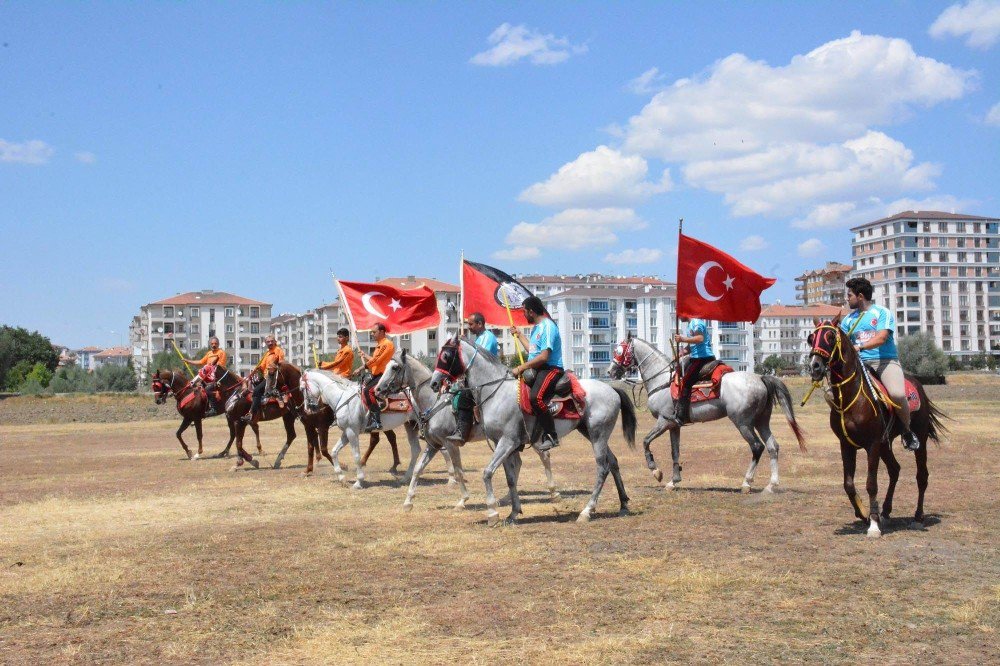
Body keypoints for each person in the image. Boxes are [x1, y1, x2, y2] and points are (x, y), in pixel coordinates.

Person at [841, 277, 920, 451]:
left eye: (850, 295)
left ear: (860, 296)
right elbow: (844, 344)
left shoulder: (882, 313)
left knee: (897, 394)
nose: (847, 299)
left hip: (884, 361)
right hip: (860, 365)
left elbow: (882, 338)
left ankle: (907, 431)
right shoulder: (847, 320)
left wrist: (859, 347)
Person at [510, 296, 563, 451]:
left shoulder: (548, 326)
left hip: (551, 369)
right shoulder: (536, 328)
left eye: (524, 312)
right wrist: (519, 335)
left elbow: (544, 357)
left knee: (535, 397)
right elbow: (533, 352)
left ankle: (552, 436)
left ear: (531, 312)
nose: (524, 315)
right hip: (539, 369)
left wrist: (520, 368)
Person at [447, 312, 499, 441]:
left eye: (470, 324)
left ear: (480, 324)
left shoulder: (488, 337)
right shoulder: (480, 337)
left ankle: (463, 433)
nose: (468, 327)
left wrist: (466, 343)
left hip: (488, 379)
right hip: (478, 378)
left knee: (465, 397)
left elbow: (479, 357)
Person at [673, 316, 715, 425]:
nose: (678, 316)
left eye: (680, 312)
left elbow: (700, 338)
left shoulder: (696, 323)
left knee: (686, 382)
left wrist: (682, 339)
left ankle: (682, 416)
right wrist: (677, 356)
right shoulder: (690, 325)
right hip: (696, 357)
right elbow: (691, 347)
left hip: (702, 358)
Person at [354, 323, 394, 431]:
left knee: (369, 391)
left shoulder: (387, 344)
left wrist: (360, 368)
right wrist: (364, 355)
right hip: (376, 374)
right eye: (371, 332)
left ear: (381, 332)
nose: (372, 334)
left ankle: (377, 422)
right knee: (361, 389)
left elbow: (377, 360)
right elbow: (375, 360)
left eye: (374, 332)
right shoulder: (379, 345)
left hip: (384, 375)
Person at [243, 334, 285, 423]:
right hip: (265, 376)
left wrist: (274, 367)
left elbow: (281, 364)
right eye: (268, 342)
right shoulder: (267, 353)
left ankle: (252, 414)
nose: (270, 343)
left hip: (273, 377)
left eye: (271, 341)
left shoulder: (278, 350)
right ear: (266, 343)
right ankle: (260, 410)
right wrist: (255, 371)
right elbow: (262, 367)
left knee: (256, 391)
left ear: (275, 342)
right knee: (251, 386)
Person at [186, 336, 227, 416]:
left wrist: (209, 367)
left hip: (217, 376)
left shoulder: (221, 352)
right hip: (207, 377)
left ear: (218, 344)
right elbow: (201, 361)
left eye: (215, 343)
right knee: (198, 391)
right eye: (212, 344)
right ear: (210, 344)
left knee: (208, 389)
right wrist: (188, 361)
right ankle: (200, 409)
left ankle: (214, 409)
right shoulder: (209, 353)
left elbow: (220, 365)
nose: (214, 345)